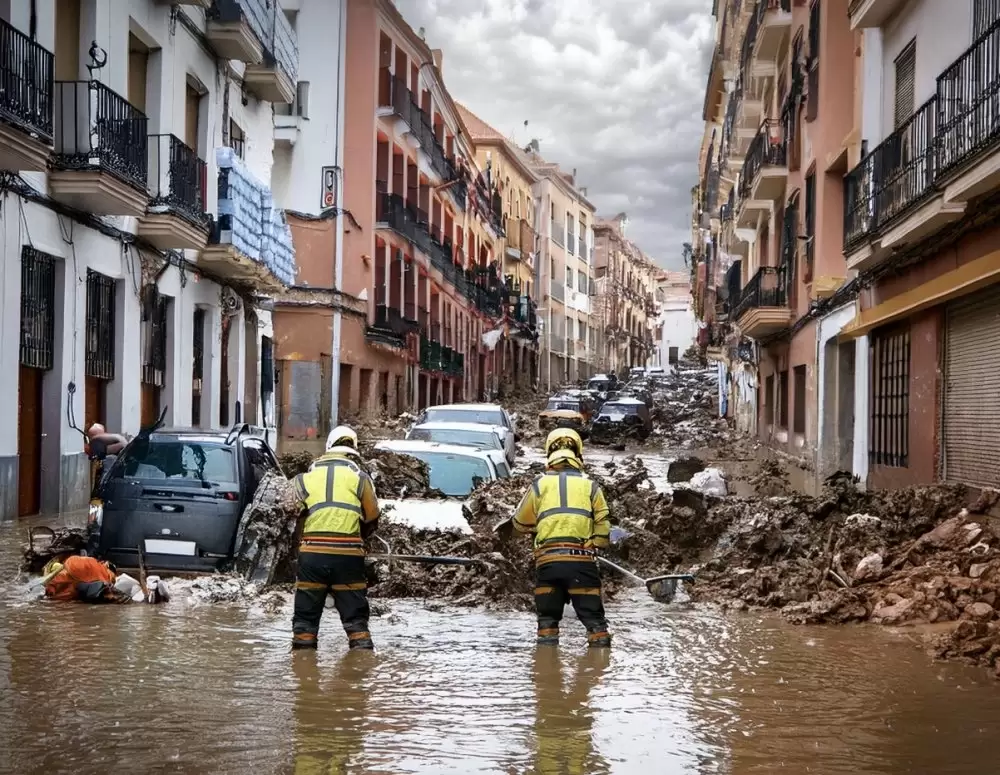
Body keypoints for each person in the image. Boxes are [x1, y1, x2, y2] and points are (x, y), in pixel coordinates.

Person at [512, 428, 612, 648]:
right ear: (578, 453)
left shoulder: (539, 485)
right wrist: (595, 543)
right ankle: (599, 672)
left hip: (548, 565)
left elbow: (519, 523)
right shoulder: (591, 486)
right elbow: (604, 527)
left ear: (549, 453)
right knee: (596, 624)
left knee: (547, 624)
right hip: (582, 565)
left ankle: (547, 673)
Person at [290, 425, 380, 651]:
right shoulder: (360, 478)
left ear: (328, 447)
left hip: (312, 558)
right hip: (348, 558)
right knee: (356, 622)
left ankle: (302, 670)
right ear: (354, 451)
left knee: (305, 623)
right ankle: (360, 670)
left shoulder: (303, 479)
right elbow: (372, 516)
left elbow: (290, 514)